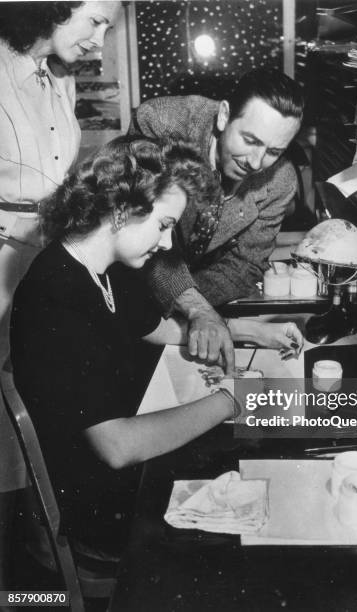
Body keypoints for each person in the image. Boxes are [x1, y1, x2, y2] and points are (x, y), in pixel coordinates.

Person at [10, 136, 303, 556]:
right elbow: (118, 447)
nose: (167, 245)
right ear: (122, 209)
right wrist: (233, 399)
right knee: (269, 508)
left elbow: (159, 328)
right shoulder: (55, 293)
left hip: (124, 473)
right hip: (100, 505)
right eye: (164, 226)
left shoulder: (104, 268)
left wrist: (254, 332)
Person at [0, 0, 120, 584]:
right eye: (94, 21)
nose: (100, 38)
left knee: (30, 421)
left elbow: (56, 177)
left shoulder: (61, 78)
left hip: (38, 260)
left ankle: (37, 558)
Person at [130, 68, 304, 371]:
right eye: (249, 139)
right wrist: (196, 309)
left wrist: (197, 313)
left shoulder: (281, 180)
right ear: (224, 115)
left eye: (274, 151)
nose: (255, 162)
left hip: (179, 309)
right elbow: (143, 233)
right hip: (128, 284)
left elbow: (244, 265)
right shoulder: (160, 125)